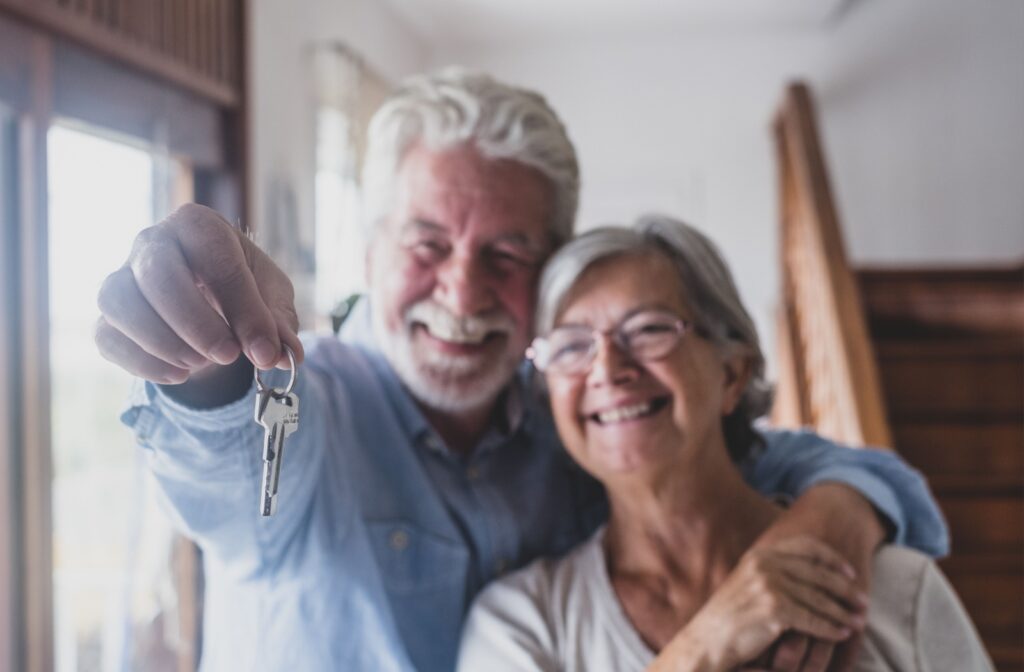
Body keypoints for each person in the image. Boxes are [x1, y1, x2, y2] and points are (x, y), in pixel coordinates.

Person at [96, 69, 948, 672]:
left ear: (553, 275)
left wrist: (838, 517)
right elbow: (227, 464)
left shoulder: (583, 415)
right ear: (370, 251)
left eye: (508, 251)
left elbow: (759, 453)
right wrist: (205, 365)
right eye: (427, 243)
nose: (462, 289)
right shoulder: (313, 404)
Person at [457, 215, 991, 672]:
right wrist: (703, 646)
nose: (609, 369)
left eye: (647, 330)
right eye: (572, 345)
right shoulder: (522, 624)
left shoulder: (899, 588)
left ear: (732, 374)